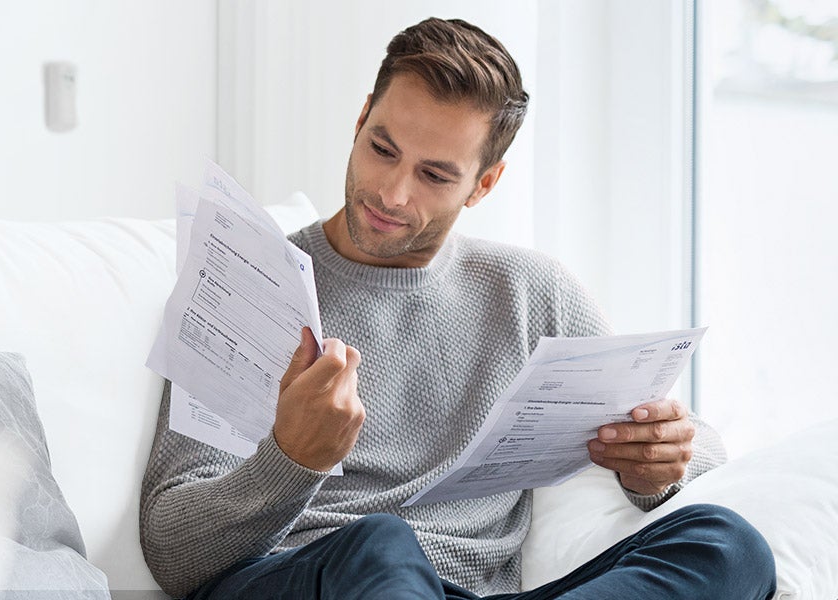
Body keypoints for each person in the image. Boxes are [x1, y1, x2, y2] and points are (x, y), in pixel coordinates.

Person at [138, 17, 776, 600]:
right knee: (383, 544)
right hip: (314, 576)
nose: (390, 193)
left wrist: (658, 464)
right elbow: (172, 552)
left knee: (727, 544)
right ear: (361, 120)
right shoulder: (250, 282)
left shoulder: (530, 291)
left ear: (485, 183)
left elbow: (692, 448)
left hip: (469, 594)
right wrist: (292, 458)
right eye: (382, 149)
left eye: (434, 175)